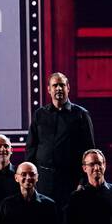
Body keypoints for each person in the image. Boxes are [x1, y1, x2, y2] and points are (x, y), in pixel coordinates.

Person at [25, 72, 96, 211]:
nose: (58, 88)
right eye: (55, 85)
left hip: (71, 181)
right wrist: (30, 177)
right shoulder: (39, 114)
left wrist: (83, 181)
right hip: (44, 181)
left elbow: (89, 151)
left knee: (70, 223)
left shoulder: (81, 115)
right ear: (49, 89)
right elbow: (31, 148)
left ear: (68, 88)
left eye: (62, 85)